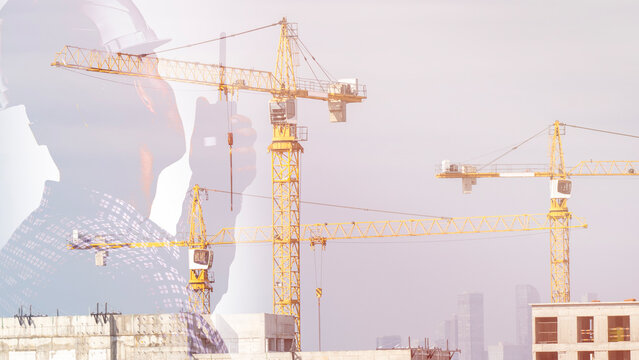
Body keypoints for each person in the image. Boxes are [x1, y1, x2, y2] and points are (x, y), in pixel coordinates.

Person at [0, 0, 255, 354]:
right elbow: (173, 307)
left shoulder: (31, 244)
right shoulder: (138, 278)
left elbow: (186, 292)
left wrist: (212, 188)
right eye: (157, 68)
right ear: (143, 92)